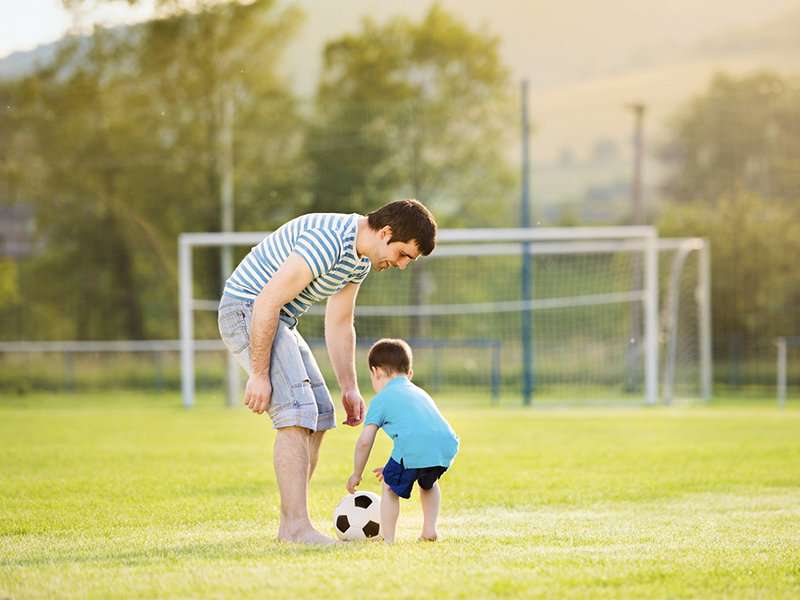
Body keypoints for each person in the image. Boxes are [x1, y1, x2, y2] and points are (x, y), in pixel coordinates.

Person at [217, 200, 437, 544]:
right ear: (386, 232)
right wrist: (259, 374)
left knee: (319, 413)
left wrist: (349, 386)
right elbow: (266, 301)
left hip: (278, 320)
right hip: (247, 309)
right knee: (296, 412)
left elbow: (339, 322)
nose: (401, 265)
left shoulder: (359, 260)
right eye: (403, 254)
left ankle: (293, 521)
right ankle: (294, 527)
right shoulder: (328, 241)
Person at [346, 338, 459, 544]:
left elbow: (365, 441)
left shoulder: (381, 399)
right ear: (409, 374)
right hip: (445, 446)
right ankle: (429, 530)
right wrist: (392, 465)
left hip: (415, 449)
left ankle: (387, 537)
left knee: (389, 485)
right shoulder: (419, 392)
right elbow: (419, 432)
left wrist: (357, 473)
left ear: (376, 372)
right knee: (429, 483)